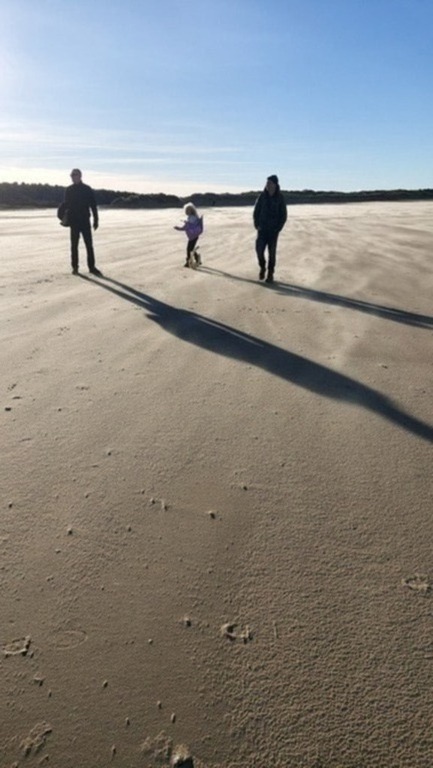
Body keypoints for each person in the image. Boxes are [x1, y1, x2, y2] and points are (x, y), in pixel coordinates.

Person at [63, 169, 101, 276]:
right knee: (74, 246)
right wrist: (63, 217)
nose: (73, 177)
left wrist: (96, 220)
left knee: (89, 245)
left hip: (85, 221)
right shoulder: (69, 190)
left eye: (75, 175)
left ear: (80, 176)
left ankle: (92, 267)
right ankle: (75, 267)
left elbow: (93, 205)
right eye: (72, 176)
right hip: (74, 222)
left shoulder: (87, 189)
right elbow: (66, 205)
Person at [253, 174, 287, 283]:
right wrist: (256, 224)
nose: (267, 185)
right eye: (267, 183)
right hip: (262, 229)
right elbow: (256, 212)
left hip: (273, 231)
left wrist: (278, 228)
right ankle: (262, 267)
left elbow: (284, 215)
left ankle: (270, 273)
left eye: (270, 183)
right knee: (259, 250)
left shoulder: (280, 198)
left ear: (275, 185)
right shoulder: (262, 196)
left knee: (272, 253)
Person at [174, 202, 203, 268]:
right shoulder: (193, 217)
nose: (187, 211)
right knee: (191, 249)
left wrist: (179, 228)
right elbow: (190, 225)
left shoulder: (192, 217)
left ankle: (188, 262)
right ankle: (197, 258)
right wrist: (186, 223)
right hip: (194, 236)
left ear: (191, 210)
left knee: (189, 249)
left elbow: (188, 226)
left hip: (193, 236)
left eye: (188, 210)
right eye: (186, 210)